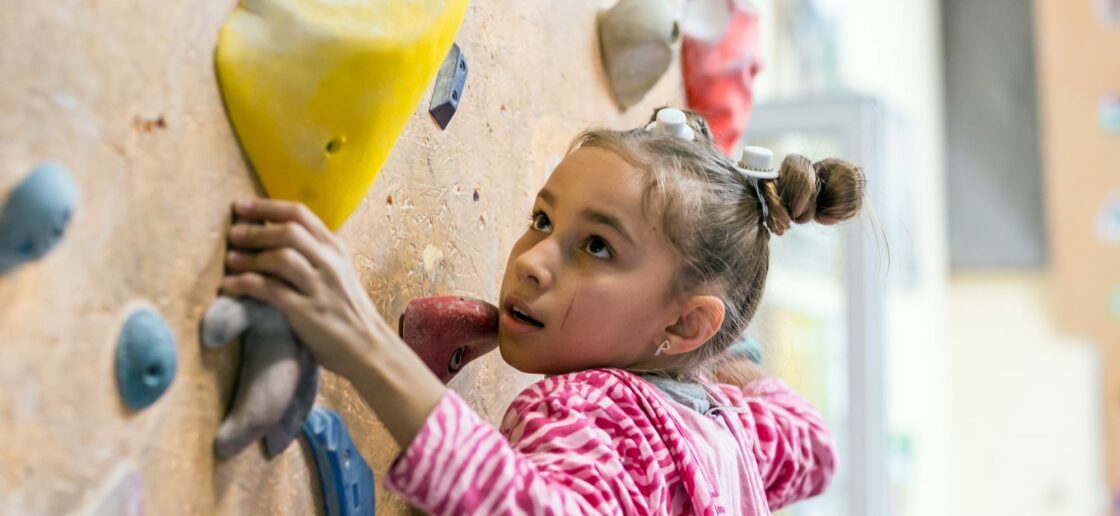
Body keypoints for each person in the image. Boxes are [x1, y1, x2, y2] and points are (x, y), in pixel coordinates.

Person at [218, 107, 865, 514]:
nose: (531, 260)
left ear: (684, 322)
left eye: (596, 247)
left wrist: (357, 338)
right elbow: (812, 442)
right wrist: (705, 354)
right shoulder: (728, 432)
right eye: (542, 219)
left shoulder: (591, 412)